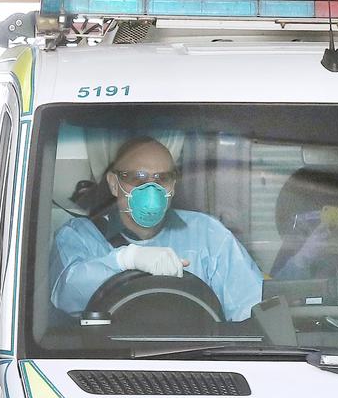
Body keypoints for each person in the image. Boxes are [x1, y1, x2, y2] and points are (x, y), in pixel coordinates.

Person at [50, 137, 263, 322]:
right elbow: (65, 295)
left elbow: (253, 309)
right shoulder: (81, 235)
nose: (151, 189)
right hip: (110, 361)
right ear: (114, 184)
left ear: (173, 184)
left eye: (162, 178)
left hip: (197, 358)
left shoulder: (209, 235)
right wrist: (125, 260)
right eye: (138, 178)